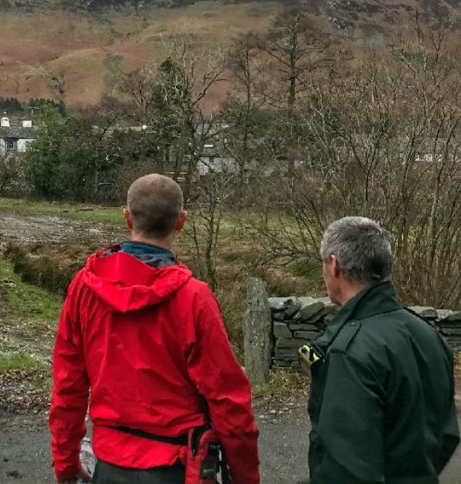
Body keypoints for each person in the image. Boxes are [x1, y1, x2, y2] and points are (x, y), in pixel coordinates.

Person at [50, 173, 260, 484]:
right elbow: (228, 399)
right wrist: (246, 477)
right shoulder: (194, 298)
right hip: (177, 467)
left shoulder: (84, 287)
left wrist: (66, 461)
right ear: (181, 222)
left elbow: (67, 385)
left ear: (127, 217)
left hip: (110, 465)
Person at [305, 216, 459, 483]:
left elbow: (347, 470)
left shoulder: (350, 352)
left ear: (334, 265)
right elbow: (446, 435)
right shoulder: (429, 335)